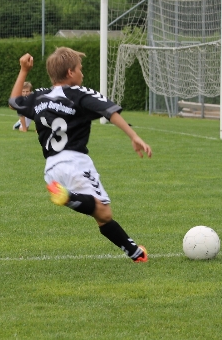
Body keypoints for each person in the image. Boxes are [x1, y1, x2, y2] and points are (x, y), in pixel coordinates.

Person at [9, 48, 152, 263]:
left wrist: (23, 70)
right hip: (76, 163)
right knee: (104, 212)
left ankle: (135, 253)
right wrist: (134, 136)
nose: (82, 74)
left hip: (51, 168)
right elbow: (110, 112)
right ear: (70, 73)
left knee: (101, 216)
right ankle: (68, 197)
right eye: (80, 70)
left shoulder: (39, 97)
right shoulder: (80, 94)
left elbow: (15, 102)